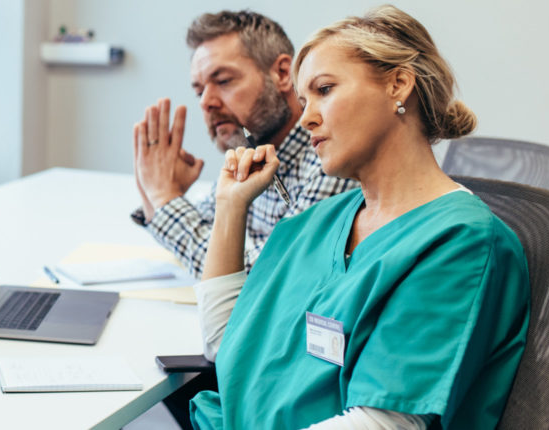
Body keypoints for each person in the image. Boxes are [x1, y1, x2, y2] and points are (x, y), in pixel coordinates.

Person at [189, 5, 530, 428]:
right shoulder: (316, 224)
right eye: (303, 99)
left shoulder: (461, 243)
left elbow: (385, 424)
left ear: (398, 85)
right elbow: (227, 350)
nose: (308, 116)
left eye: (325, 89)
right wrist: (230, 206)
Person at [131, 11, 358, 278]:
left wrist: (163, 198)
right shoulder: (251, 150)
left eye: (224, 81)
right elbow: (206, 233)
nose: (206, 102)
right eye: (199, 91)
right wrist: (156, 188)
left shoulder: (330, 158)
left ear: (283, 73)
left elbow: (259, 277)